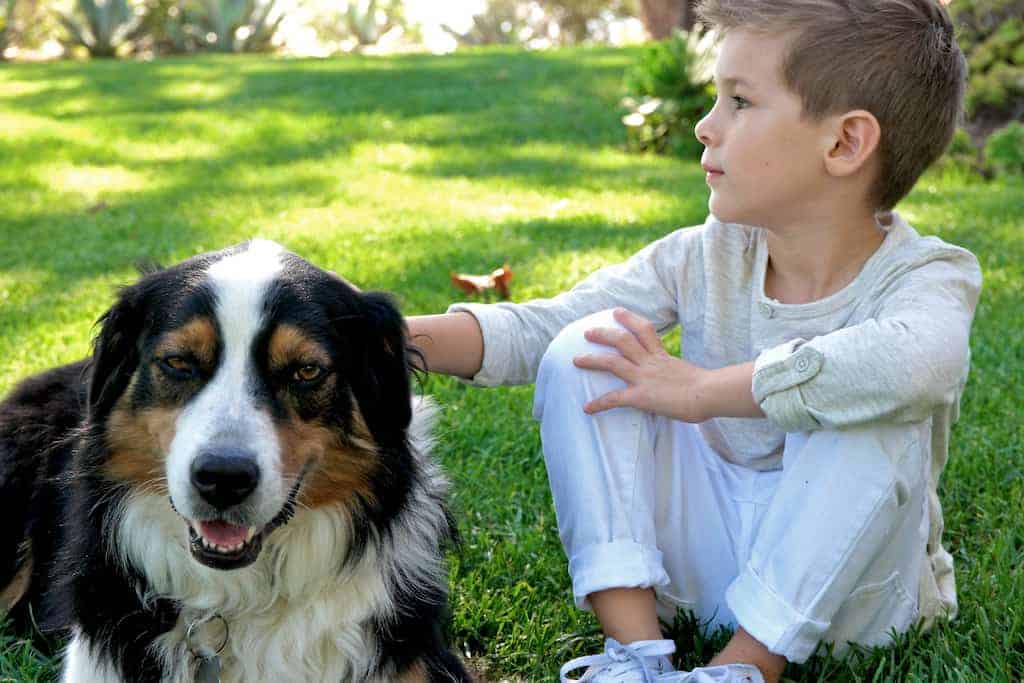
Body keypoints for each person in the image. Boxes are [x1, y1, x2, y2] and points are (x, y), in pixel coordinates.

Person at [406, 1, 981, 680]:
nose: (707, 126)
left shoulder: (929, 276)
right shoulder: (706, 255)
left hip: (850, 602)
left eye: (739, 101)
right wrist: (385, 334)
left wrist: (704, 391)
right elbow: (544, 328)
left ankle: (745, 665)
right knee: (589, 343)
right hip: (704, 571)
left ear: (845, 144)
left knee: (875, 401)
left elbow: (919, 364)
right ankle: (637, 652)